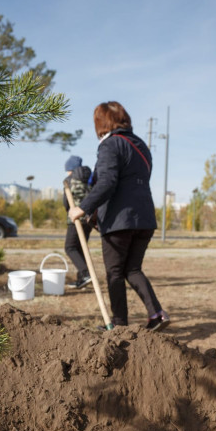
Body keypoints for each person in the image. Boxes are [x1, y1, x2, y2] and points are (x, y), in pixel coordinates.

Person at [68, 101, 169, 330]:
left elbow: (108, 182)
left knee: (114, 272)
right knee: (132, 269)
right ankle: (157, 314)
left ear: (101, 123)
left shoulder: (109, 145)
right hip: (144, 218)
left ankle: (119, 324)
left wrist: (82, 208)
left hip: (119, 221)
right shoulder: (141, 146)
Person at [62, 155, 95, 289]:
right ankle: (82, 278)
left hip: (75, 219)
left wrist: (69, 210)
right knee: (81, 248)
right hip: (88, 218)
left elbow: (66, 202)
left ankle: (86, 273)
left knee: (69, 247)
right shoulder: (89, 178)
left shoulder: (68, 180)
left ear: (70, 169)